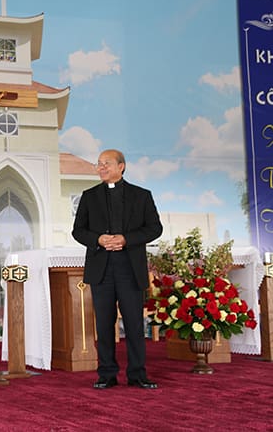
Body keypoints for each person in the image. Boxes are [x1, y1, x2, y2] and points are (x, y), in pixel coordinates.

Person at [71, 149, 162, 390]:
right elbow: (78, 230)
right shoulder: (89, 196)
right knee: (103, 323)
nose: (100, 168)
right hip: (102, 268)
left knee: (133, 323)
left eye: (106, 164)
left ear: (121, 166)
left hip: (130, 268)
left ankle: (137, 374)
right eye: (98, 164)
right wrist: (99, 239)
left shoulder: (141, 196)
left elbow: (154, 228)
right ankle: (107, 374)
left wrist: (126, 239)